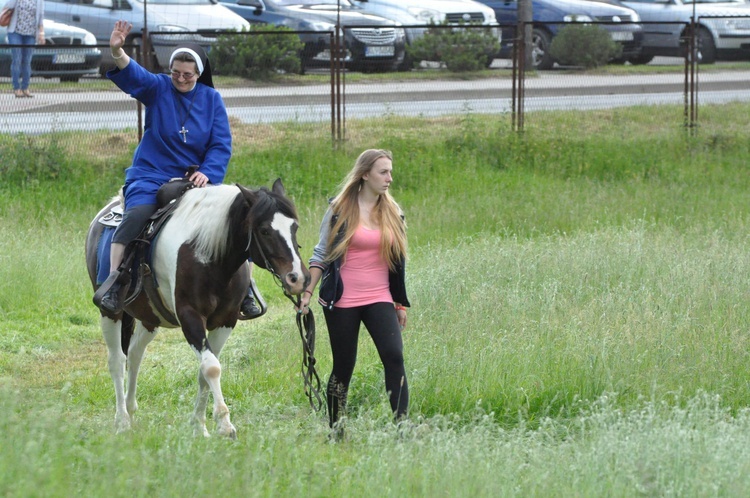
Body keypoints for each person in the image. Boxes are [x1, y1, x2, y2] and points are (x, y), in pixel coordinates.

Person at [95, 20, 263, 319]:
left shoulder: (212, 99)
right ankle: (114, 281)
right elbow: (134, 73)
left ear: (199, 74)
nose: (181, 79)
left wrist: (208, 172)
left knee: (233, 220)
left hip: (195, 179)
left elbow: (221, 143)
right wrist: (117, 50)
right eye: (176, 73)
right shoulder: (158, 87)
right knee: (135, 216)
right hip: (151, 174)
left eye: (188, 75)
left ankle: (246, 289)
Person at [296, 149, 410, 431]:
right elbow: (321, 253)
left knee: (394, 356)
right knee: (344, 366)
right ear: (365, 174)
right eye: (383, 172)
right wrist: (307, 294)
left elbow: (397, 261)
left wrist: (399, 303)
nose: (389, 178)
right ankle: (336, 429)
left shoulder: (393, 212)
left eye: (390, 172)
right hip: (343, 298)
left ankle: (402, 429)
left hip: (380, 296)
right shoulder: (339, 209)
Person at [3, 0, 45, 98]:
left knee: (27, 61)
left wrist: (41, 33)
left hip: (30, 34)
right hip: (15, 32)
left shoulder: (39, 1)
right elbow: (6, 7)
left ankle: (25, 87)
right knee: (17, 59)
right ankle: (16, 88)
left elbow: (40, 17)